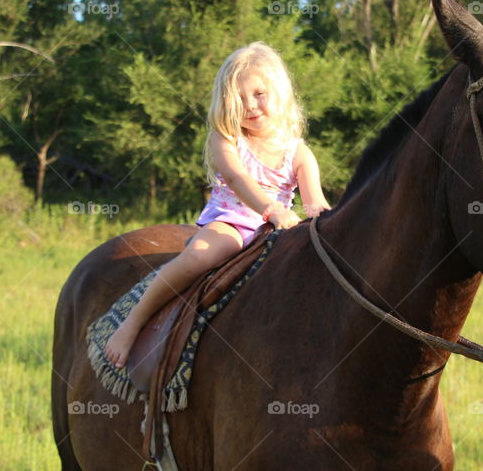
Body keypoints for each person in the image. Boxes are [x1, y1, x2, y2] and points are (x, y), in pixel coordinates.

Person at [103, 41, 331, 368]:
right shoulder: (225, 138)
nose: (249, 105)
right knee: (200, 256)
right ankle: (133, 322)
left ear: (279, 94)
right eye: (238, 98)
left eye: (259, 94)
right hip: (234, 222)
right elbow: (237, 179)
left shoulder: (298, 152)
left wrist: (327, 219)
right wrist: (273, 210)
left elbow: (315, 203)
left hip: (278, 232)